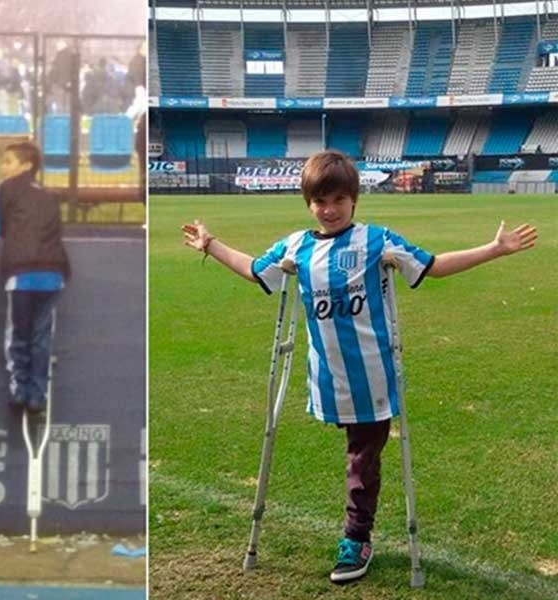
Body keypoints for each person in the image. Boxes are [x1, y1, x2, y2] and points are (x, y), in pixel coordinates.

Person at [181, 150, 538, 584]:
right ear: (308, 203)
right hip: (326, 378)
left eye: (338, 200)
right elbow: (256, 271)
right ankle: (358, 527)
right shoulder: (296, 245)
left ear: (354, 200)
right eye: (320, 201)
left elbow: (433, 266)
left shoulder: (377, 240)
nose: (329, 210)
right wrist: (211, 244)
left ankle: (357, 537)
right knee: (356, 455)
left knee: (361, 459)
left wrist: (495, 249)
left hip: (372, 378)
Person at [0, 142, 70, 413]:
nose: (3, 167)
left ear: (26, 165)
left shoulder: (6, 189)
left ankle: (19, 389)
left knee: (18, 333)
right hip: (52, 272)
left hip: (22, 271)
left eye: (8, 161)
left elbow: (2, 226)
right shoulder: (50, 195)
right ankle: (38, 395)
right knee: (41, 336)